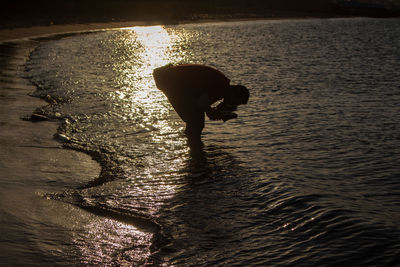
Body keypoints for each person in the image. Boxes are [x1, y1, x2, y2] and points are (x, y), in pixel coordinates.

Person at [153, 63, 249, 140]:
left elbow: (202, 103)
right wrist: (214, 113)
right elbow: (202, 104)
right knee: (195, 121)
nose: (233, 105)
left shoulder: (223, 85)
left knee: (196, 118)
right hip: (168, 79)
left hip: (168, 75)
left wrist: (215, 112)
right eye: (236, 102)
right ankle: (193, 150)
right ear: (234, 95)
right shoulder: (221, 88)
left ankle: (192, 147)